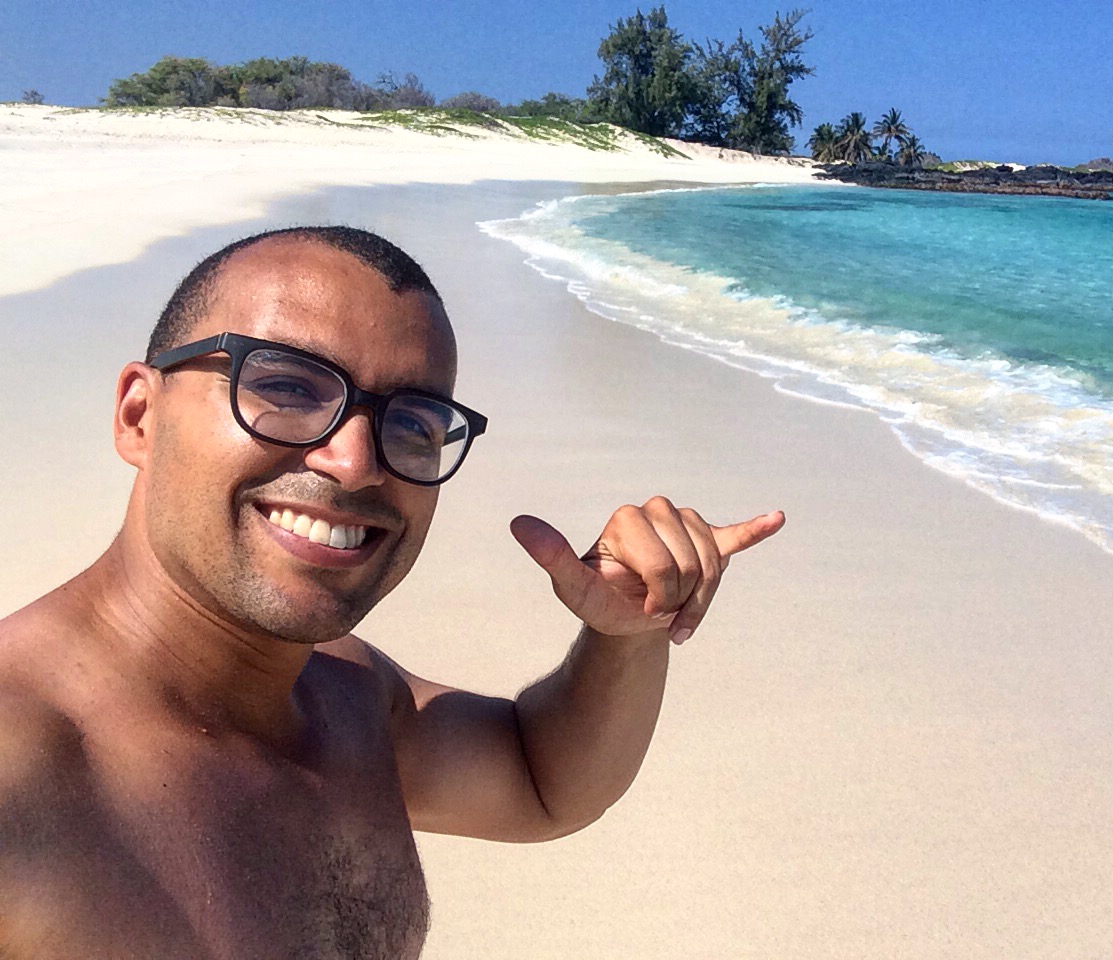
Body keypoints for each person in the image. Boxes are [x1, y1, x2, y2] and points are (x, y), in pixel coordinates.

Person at [0, 226, 784, 959]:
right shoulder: (20, 779)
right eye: (284, 385)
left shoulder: (347, 697)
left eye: (412, 423)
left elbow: (544, 782)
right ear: (141, 415)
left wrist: (625, 635)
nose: (354, 460)